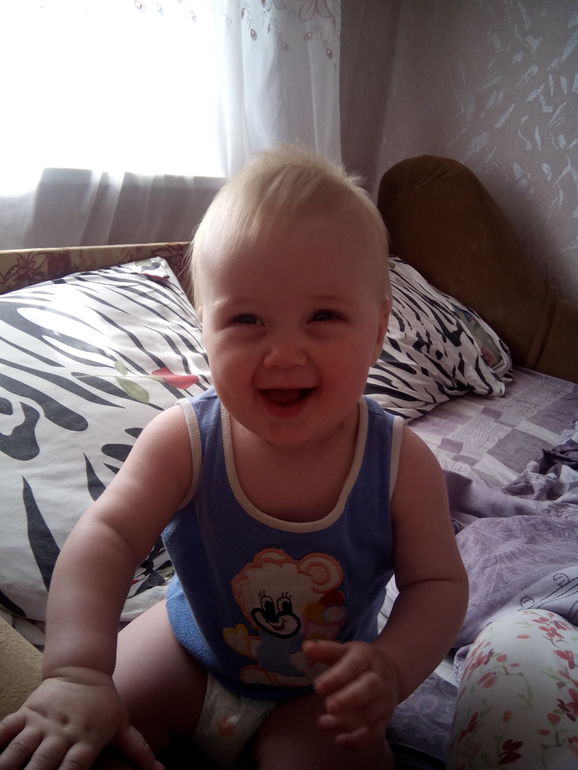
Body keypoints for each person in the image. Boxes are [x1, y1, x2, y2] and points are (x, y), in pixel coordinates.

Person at [0, 145, 468, 770]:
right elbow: (106, 537)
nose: (283, 353)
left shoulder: (400, 464)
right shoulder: (184, 441)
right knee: (86, 738)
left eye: (323, 316)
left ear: (378, 329)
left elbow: (437, 585)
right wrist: (77, 671)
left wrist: (393, 665)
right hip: (187, 650)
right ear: (205, 329)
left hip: (320, 691)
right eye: (246, 319)